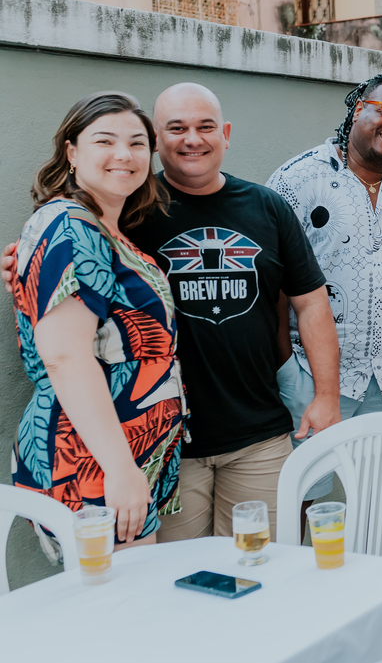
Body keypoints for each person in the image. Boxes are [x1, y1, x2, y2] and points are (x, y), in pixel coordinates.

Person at [3, 84, 340, 542]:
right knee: (164, 580)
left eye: (205, 127)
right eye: (176, 128)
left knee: (259, 567)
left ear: (225, 134)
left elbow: (311, 300)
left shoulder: (255, 206)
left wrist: (327, 395)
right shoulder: (113, 211)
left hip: (241, 431)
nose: (192, 139)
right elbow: (66, 352)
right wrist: (29, 263)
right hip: (138, 453)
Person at [12, 92, 183, 546]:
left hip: (127, 452)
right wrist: (121, 469)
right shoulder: (70, 226)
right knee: (117, 590)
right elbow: (65, 357)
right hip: (93, 459)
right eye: (105, 141)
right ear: (71, 152)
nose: (124, 154)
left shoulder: (106, 230)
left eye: (137, 143)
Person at [268, 74, 382, 502]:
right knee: (301, 498)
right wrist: (285, 368)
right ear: (359, 108)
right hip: (312, 377)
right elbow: (273, 286)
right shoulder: (297, 180)